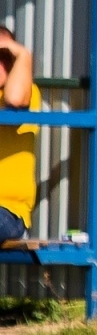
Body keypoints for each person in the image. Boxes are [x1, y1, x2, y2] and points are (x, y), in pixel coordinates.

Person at [0, 25, 38, 243]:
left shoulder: (26, 92)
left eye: (4, 56)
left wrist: (23, 54)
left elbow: (15, 101)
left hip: (8, 212)